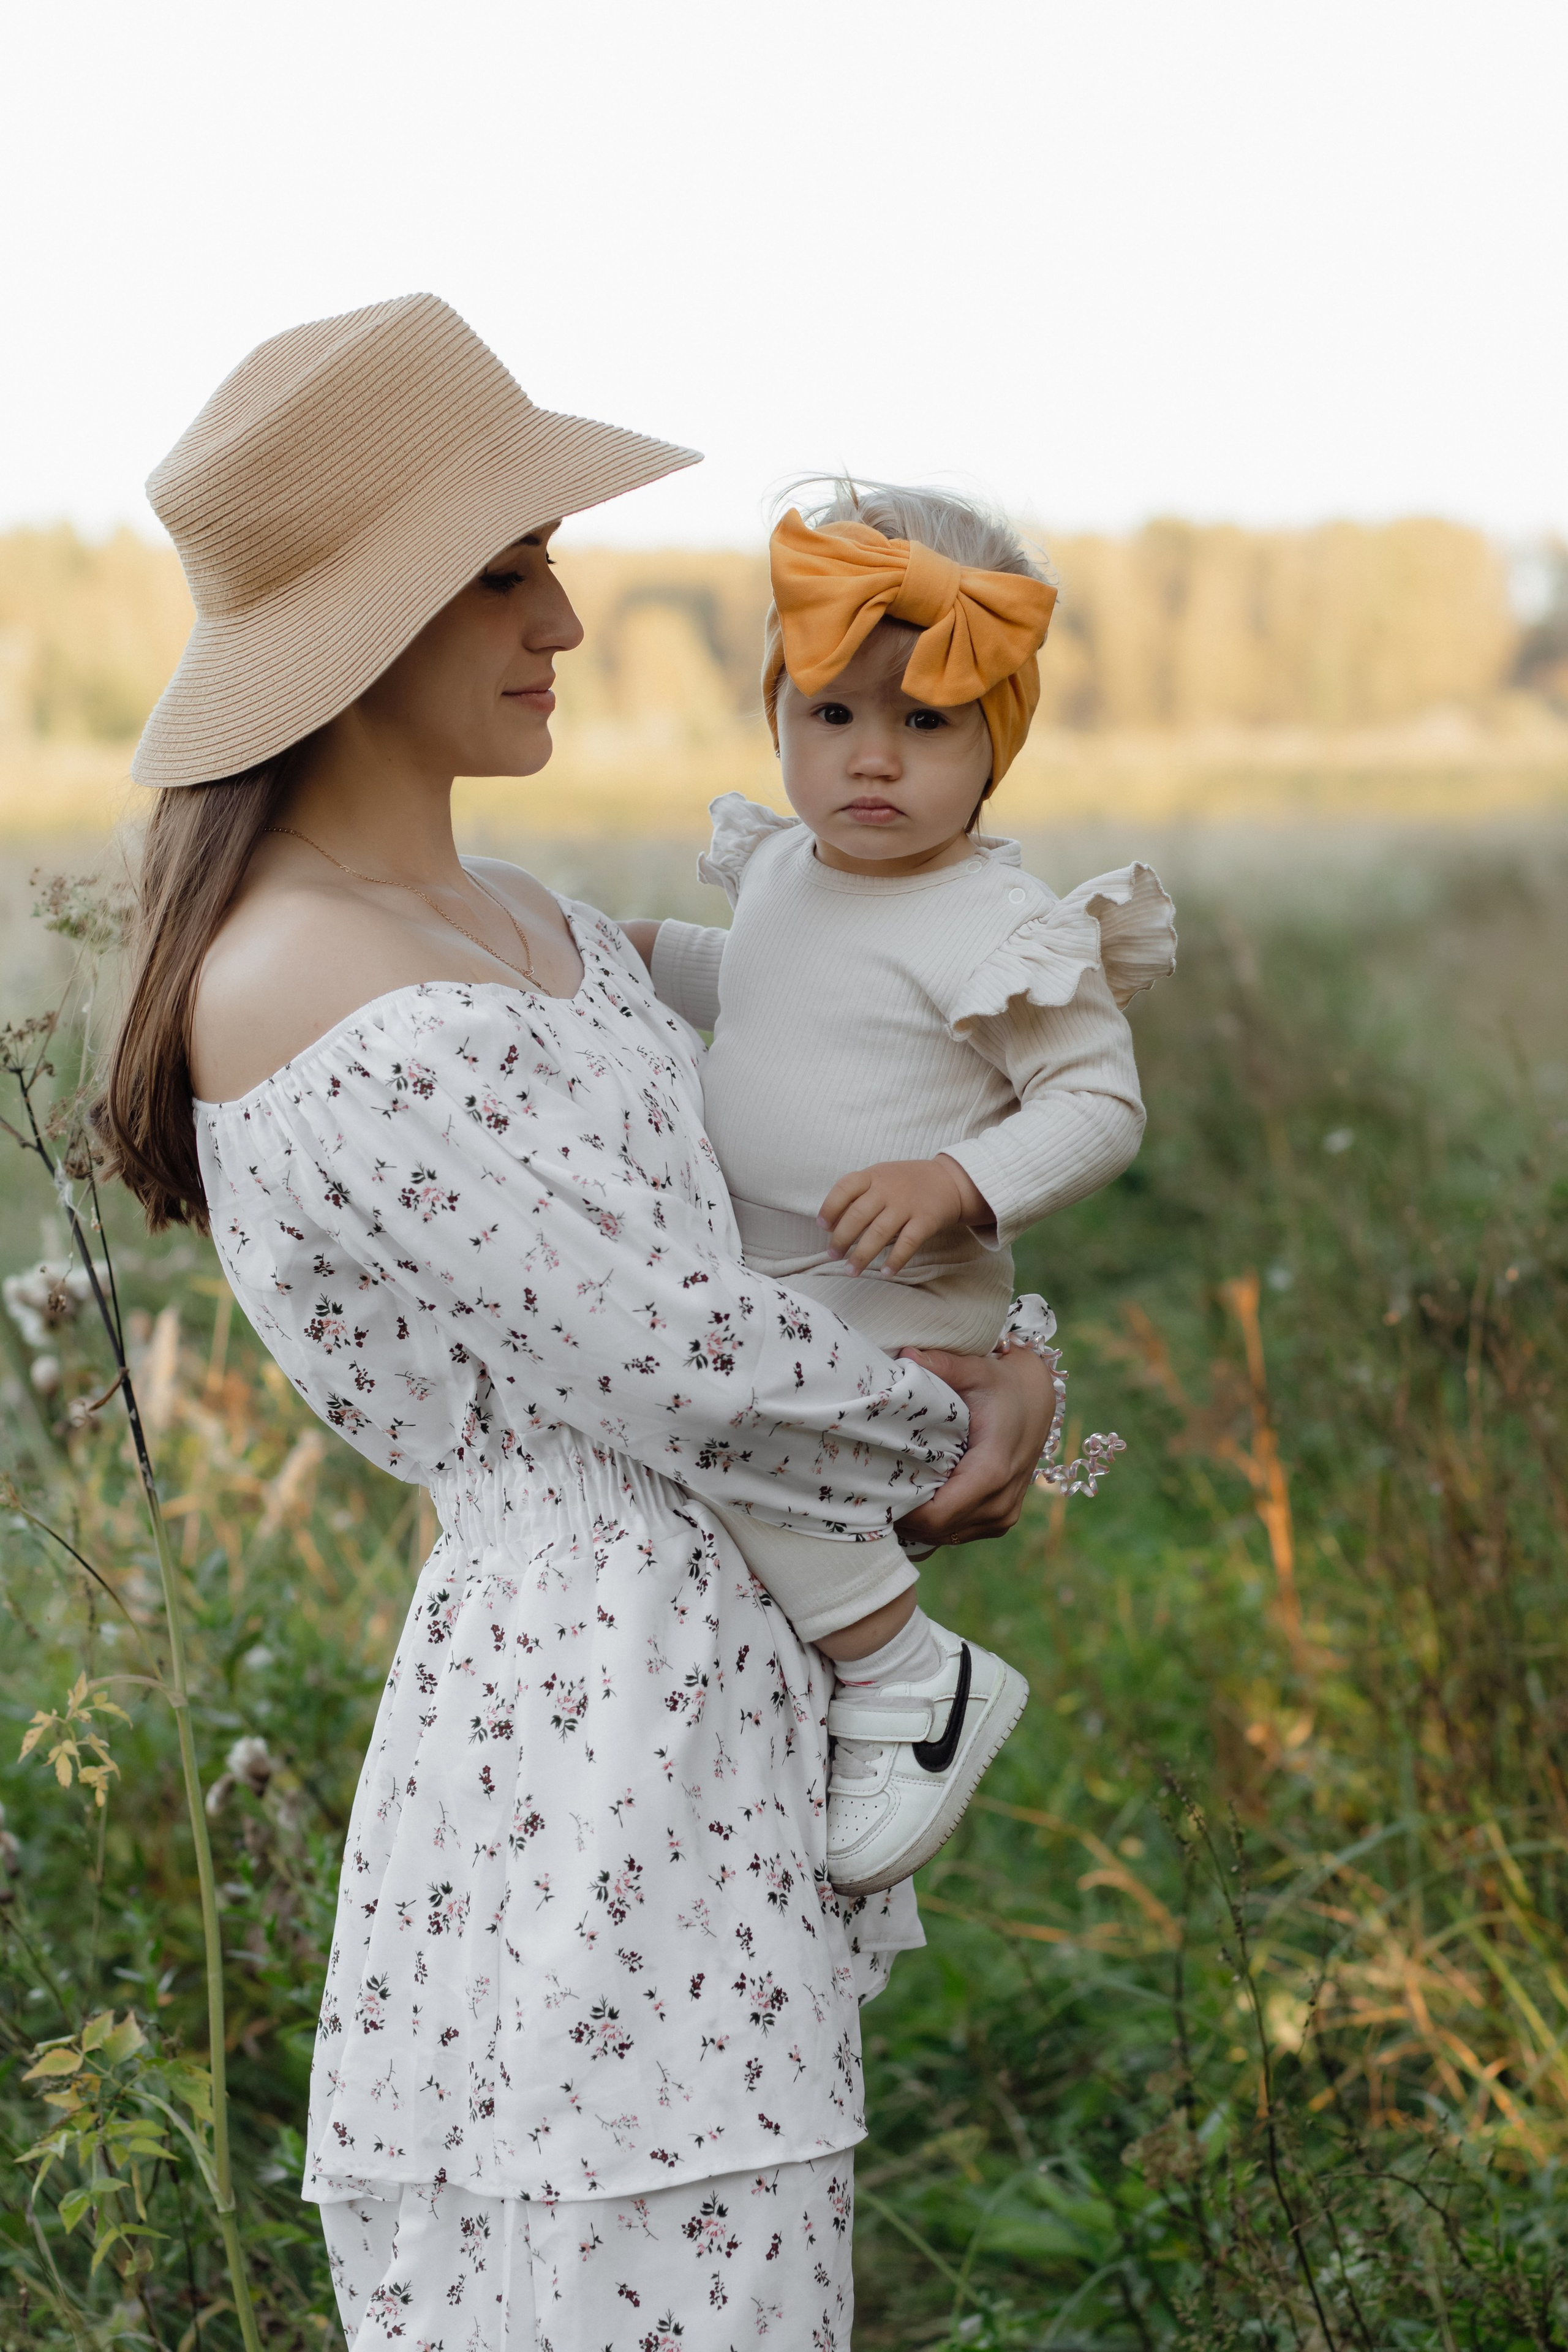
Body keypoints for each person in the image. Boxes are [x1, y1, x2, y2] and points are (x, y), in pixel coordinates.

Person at [99, 297, 1058, 2352]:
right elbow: (661, 1353)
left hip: (716, 1675)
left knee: (737, 2257)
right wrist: (951, 1423)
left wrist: (1012, 1343)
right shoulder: (294, 979)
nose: (572, 615)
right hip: (578, 1725)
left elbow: (780, 1207)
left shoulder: (531, 923)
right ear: (369, 623)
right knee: (614, 2243)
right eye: (510, 569)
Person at [624, 481, 1177, 1901]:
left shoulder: (993, 922)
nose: (872, 762)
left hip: (896, 1293)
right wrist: (624, 952)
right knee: (705, 1424)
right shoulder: (789, 877)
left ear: (996, 741)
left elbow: (1096, 1107)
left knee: (723, 1423)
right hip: (778, 1269)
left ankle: (902, 1672)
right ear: (777, 720)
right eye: (832, 716)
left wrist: (960, 1177)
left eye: (924, 723)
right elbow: (763, 994)